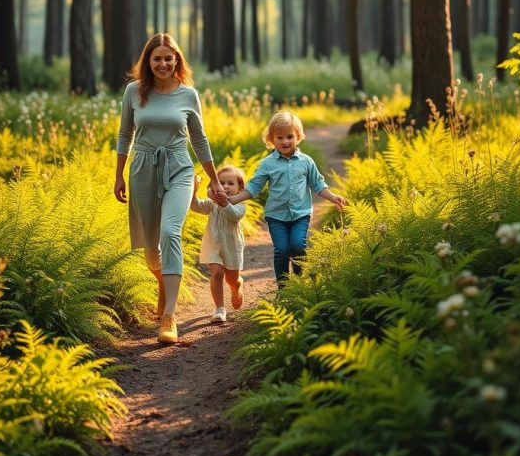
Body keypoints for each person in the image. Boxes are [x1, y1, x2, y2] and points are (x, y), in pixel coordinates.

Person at [114, 33, 224, 344]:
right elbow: (125, 135)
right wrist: (118, 175)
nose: (163, 63)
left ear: (176, 59)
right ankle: (164, 282)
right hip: (143, 168)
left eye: (168, 57)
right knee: (152, 251)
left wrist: (214, 178)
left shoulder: (188, 94)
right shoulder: (134, 92)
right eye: (157, 58)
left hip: (179, 167)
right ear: (148, 62)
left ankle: (169, 316)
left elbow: (199, 140)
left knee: (170, 232)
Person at [224, 110, 346, 284]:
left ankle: (299, 281)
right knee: (281, 250)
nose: (285, 141)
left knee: (298, 246)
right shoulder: (267, 164)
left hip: (300, 215)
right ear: (271, 139)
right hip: (276, 216)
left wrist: (333, 197)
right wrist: (233, 200)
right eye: (279, 137)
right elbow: (254, 186)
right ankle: (283, 287)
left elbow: (317, 184)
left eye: (289, 136)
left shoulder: (306, 162)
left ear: (298, 136)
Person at [190, 165, 246, 324]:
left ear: (239, 189)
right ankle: (220, 308)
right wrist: (194, 190)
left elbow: (235, 216)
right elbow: (195, 206)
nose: (225, 186)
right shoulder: (211, 203)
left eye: (230, 183)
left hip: (231, 246)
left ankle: (237, 286)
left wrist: (223, 203)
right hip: (213, 244)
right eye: (221, 183)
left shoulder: (240, 204)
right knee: (217, 274)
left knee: (231, 279)